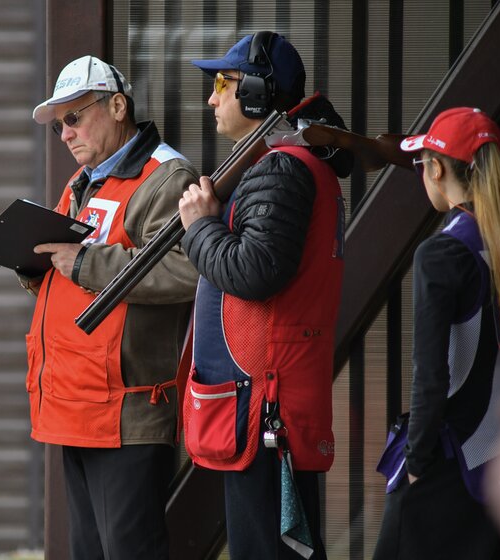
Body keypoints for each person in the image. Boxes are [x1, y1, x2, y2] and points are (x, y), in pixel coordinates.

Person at [178, 32, 353, 559]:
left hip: (265, 411)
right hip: (267, 405)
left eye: (223, 84)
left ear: (256, 93)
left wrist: (200, 227)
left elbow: (254, 271)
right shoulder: (287, 164)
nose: (211, 98)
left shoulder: (281, 168)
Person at [25, 55, 199, 559]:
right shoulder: (83, 181)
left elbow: (187, 270)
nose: (65, 134)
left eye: (74, 118)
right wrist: (33, 266)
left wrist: (83, 262)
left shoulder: (165, 176)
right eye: (59, 126)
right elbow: (71, 272)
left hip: (125, 412)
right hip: (76, 403)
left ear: (118, 106)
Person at [373, 107, 500, 559]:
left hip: (447, 460)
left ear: (437, 169)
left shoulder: (442, 253)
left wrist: (416, 462)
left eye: (421, 164)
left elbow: (431, 375)